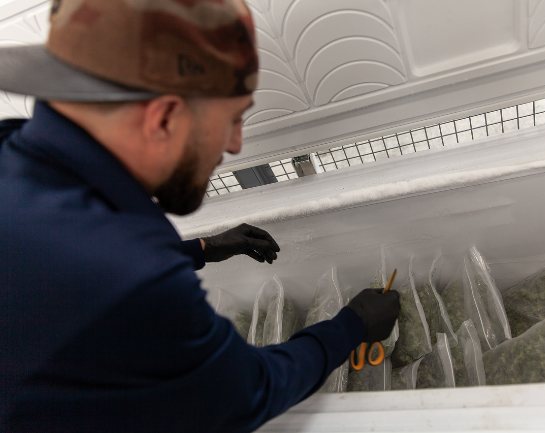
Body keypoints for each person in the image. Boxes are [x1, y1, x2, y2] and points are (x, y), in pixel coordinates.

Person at [0, 1, 400, 432]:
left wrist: (202, 249)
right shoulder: (131, 277)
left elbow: (71, 270)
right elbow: (246, 395)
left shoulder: (13, 150)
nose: (235, 144)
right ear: (165, 117)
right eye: (232, 118)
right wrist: (351, 326)